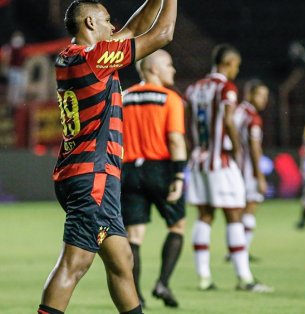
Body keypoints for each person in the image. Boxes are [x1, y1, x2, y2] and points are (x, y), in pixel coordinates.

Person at [37, 0, 177, 313]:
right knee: (74, 264)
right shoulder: (96, 58)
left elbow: (135, 28)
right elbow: (163, 34)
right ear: (89, 23)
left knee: (122, 262)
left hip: (83, 174)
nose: (113, 27)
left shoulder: (70, 57)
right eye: (106, 20)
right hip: (94, 178)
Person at [186, 44, 273, 293]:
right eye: (236, 65)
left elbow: (188, 120)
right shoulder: (226, 88)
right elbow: (227, 120)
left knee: (204, 216)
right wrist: (237, 150)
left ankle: (203, 277)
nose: (237, 70)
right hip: (220, 161)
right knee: (234, 216)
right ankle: (244, 278)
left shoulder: (194, 88)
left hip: (199, 160)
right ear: (229, 63)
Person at [121, 50, 186, 308]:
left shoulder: (124, 97)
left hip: (129, 172)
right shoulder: (170, 99)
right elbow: (175, 139)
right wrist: (179, 175)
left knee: (134, 236)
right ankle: (163, 282)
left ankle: (135, 295)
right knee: (177, 226)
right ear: (154, 69)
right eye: (169, 65)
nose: (174, 70)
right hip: (161, 169)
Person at [232, 79, 269, 259]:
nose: (264, 100)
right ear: (250, 94)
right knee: (250, 208)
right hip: (247, 170)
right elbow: (254, 148)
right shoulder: (253, 117)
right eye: (261, 95)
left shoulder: (238, 111)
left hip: (233, 168)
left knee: (238, 212)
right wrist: (259, 175)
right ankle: (241, 251)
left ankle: (237, 248)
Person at [0, 31, 28, 107]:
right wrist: (4, 68)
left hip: (19, 70)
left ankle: (18, 105)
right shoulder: (8, 48)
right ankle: (12, 106)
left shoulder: (21, 48)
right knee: (12, 89)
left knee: (20, 88)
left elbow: (23, 60)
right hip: (12, 70)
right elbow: (5, 59)